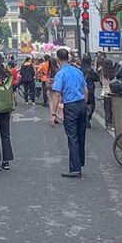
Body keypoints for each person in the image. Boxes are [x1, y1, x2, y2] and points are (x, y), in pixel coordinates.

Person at [50, 48, 89, 179]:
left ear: (57, 59)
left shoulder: (60, 74)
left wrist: (53, 114)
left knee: (72, 137)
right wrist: (84, 104)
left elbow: (56, 94)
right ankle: (80, 162)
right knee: (81, 135)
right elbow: (86, 90)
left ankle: (75, 168)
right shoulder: (78, 71)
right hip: (81, 104)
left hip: (71, 106)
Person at [81, 56, 99, 129]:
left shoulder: (79, 70)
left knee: (82, 104)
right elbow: (97, 79)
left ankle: (83, 118)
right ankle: (88, 117)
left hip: (81, 89)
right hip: (90, 89)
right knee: (91, 105)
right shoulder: (90, 70)